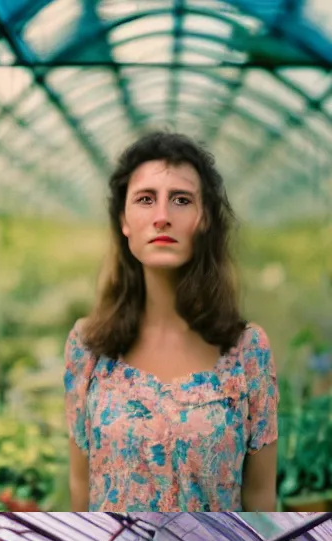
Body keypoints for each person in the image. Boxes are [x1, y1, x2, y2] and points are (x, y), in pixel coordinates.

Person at [64, 130, 278, 512]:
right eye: (145, 200)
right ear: (124, 221)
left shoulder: (248, 349)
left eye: (181, 200)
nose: (162, 217)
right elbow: (81, 489)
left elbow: (260, 498)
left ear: (205, 219)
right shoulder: (87, 346)